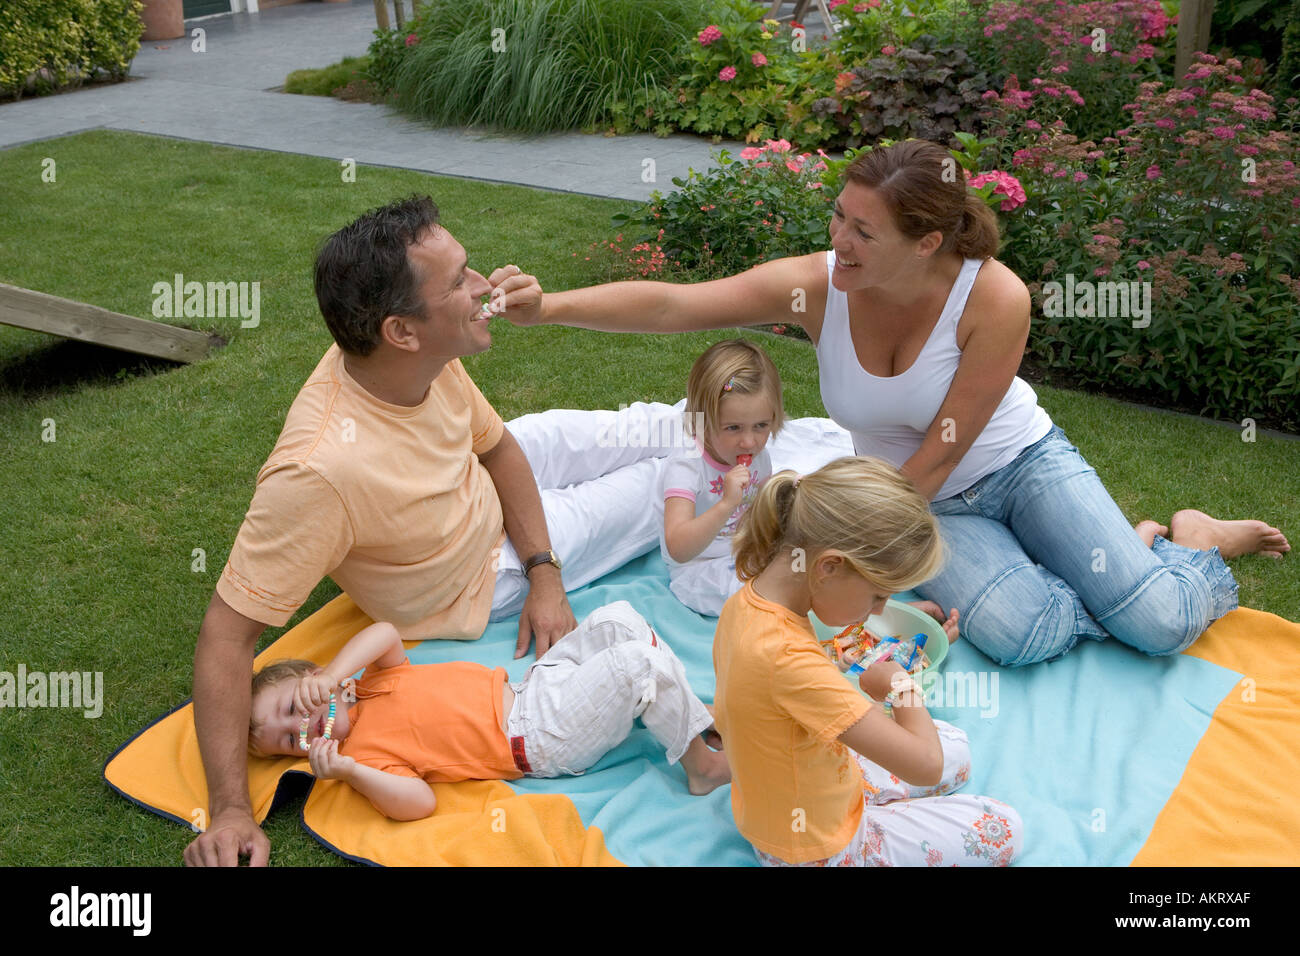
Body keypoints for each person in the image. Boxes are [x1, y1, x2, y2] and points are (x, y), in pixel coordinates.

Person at [492, 138, 1289, 670]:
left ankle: (1192, 543)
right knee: (1022, 636)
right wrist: (548, 305)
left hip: (1015, 466)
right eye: (839, 216)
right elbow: (675, 304)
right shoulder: (816, 287)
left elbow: (945, 448)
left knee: (1154, 627)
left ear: (927, 244)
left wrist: (860, 538)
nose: (839, 240)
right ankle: (1133, 551)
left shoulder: (995, 298)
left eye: (864, 233)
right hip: (928, 500)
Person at [185, 195, 681, 866]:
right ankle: (780, 463)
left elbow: (500, 450)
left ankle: (764, 428)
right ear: (402, 330)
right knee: (666, 482)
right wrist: (232, 811)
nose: (485, 288)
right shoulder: (316, 475)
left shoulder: (419, 363)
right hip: (482, 569)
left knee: (647, 425)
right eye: (460, 282)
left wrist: (547, 567)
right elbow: (226, 633)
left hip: (482, 494)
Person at [714, 456, 1020, 866]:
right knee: (1003, 826)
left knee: (958, 750)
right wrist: (900, 686)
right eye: (878, 595)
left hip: (783, 803)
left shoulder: (749, 602)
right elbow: (926, 767)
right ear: (828, 567)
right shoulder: (789, 661)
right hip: (819, 848)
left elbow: (779, 689)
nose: (879, 609)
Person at [247, 602, 729, 819]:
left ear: (313, 678)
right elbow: (419, 803)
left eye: (293, 706)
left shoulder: (373, 680)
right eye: (291, 741)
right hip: (537, 737)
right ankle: (702, 767)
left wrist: (333, 674)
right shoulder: (366, 755)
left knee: (617, 619)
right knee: (634, 665)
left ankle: (683, 712)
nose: (301, 726)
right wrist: (349, 771)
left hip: (534, 686)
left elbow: (386, 632)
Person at [660, 339, 783, 616]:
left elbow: (760, 516)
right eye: (733, 428)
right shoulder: (687, 465)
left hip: (745, 554)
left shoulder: (758, 457)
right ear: (702, 420)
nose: (749, 441)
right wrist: (726, 504)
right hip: (698, 570)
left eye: (761, 426)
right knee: (755, 596)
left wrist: (782, 495)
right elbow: (679, 548)